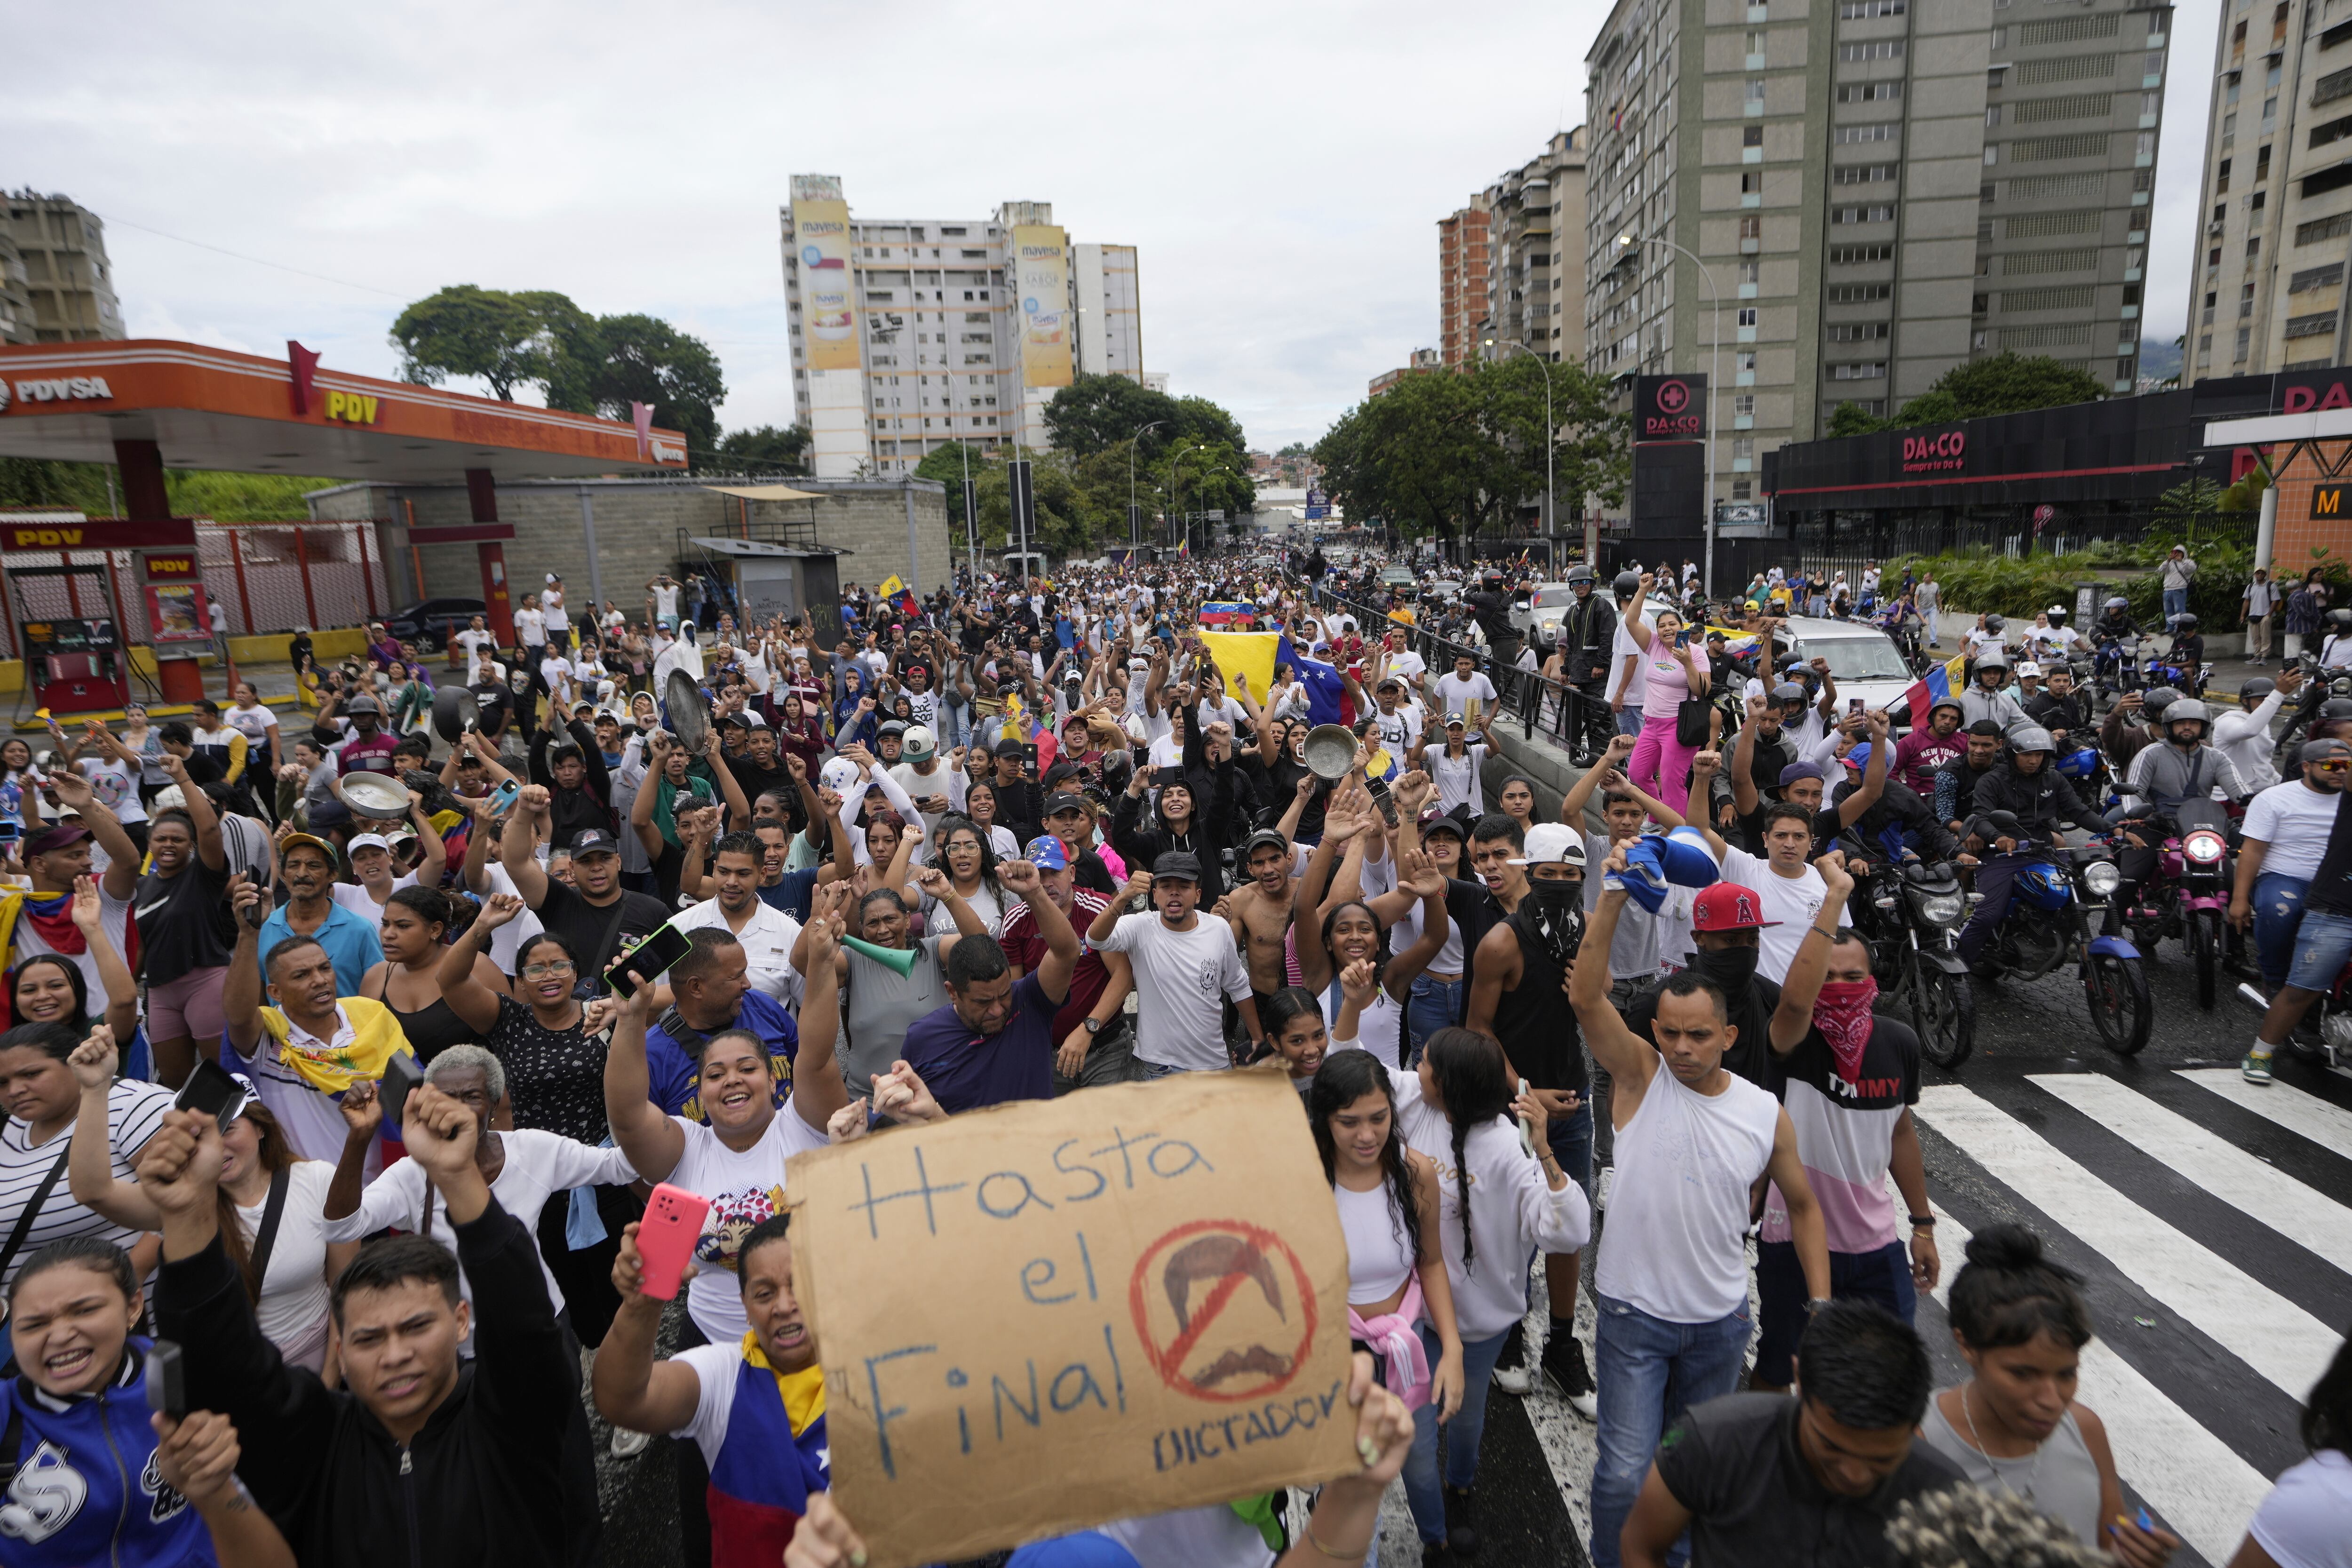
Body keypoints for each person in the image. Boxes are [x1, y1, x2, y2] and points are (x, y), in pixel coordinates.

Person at [144, 1075, 596, 1568]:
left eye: (417, 1327)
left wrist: (458, 1175)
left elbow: (523, 1320)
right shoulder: (315, 1445)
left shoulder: (513, 1415)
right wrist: (187, 1213)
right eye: (369, 1338)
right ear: (340, 1349)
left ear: (461, 1321)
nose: (396, 1355)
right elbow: (226, 1371)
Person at [1571, 859, 1832, 1568]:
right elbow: (1587, 997)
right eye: (1670, 1034)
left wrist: (1819, 1306)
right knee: (1624, 1472)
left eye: (1699, 1036)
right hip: (1633, 1317)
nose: (1682, 1049)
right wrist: (1612, 896)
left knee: (1693, 1472)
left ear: (1728, 1037)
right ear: (1655, 1032)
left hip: (1719, 1326)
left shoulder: (1764, 1112)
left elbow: (1803, 1207)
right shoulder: (1639, 1079)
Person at [603, 923, 851, 1568]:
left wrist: (821, 966)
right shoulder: (684, 1148)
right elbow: (627, 1115)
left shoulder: (803, 1126)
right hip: (719, 1357)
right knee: (721, 1510)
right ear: (700, 1089)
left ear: (772, 1079)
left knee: (842, 1499)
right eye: (715, 1074)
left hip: (825, 1344)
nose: (732, 1081)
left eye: (747, 1069)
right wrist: (629, 1019)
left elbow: (816, 1055)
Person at [1745, 856, 1940, 1394]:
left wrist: (1922, 1224)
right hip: (1791, 1243)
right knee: (1779, 1369)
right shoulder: (1792, 1039)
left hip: (1876, 1246)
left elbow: (1899, 1132)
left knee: (1888, 1380)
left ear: (1871, 981)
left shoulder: (1898, 1043)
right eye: (1826, 978)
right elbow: (1794, 1000)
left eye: (1852, 978)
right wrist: (1834, 896)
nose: (1839, 987)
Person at [1394, 1027, 1592, 1557]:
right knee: (1415, 1445)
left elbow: (1569, 1231)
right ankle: (1434, 1536)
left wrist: (1543, 1148)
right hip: (1415, 1315)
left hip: (1480, 1327)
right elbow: (1357, 1075)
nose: (1417, 1068)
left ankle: (1460, 1485)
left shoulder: (1511, 1149)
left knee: (1466, 1419)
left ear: (1449, 1084)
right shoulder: (1417, 1101)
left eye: (1426, 1063)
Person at [64, 1026, 354, 1374]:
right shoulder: (185, 1203)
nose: (217, 1146)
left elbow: (345, 1289)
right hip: (220, 1380)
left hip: (308, 1370)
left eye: (228, 1129)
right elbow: (93, 1191)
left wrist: (328, 1381)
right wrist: (95, 1089)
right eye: (200, 1136)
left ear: (260, 1127)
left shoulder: (318, 1179)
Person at [1620, 1301, 1964, 1568]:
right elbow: (1640, 1547)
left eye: (1882, 1460)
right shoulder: (1711, 1440)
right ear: (1799, 1379)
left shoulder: (1946, 1497)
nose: (1854, 1474)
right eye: (1831, 1445)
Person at [1916, 1224, 2178, 1566]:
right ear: (1966, 1345)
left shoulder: (2085, 1430)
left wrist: (2129, 1556)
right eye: (2023, 1374)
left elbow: (2107, 1546)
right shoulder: (1915, 1442)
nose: (2052, 1401)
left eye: (2066, 1374)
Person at [592, 1212, 830, 1567]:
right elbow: (623, 1400)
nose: (784, 1306)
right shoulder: (726, 1375)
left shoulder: (874, 1365)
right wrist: (641, 1307)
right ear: (745, 1307)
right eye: (765, 1294)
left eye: (800, 1285)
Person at [1463, 821, 1597, 1412]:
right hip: (1517, 1105)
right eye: (1549, 874)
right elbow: (1477, 1028)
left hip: (1572, 1100)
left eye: (1571, 875)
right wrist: (1526, 1091)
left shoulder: (1582, 929)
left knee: (1570, 1227)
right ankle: (1510, 1330)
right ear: (1529, 873)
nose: (1560, 883)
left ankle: (1562, 1343)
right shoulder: (1502, 943)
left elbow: (1597, 998)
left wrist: (1590, 985)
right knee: (1515, 1229)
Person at [1309, 1047, 1466, 1549]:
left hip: (1404, 1339)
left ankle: (1435, 1540)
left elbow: (1431, 1262)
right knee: (1349, 1474)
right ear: (1324, 1119)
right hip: (1333, 1351)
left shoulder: (1415, 1173)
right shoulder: (1302, 1181)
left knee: (1419, 1458)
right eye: (1348, 1122)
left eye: (1378, 1118)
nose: (1366, 1135)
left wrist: (1453, 1348)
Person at [0, 1234, 234, 1568]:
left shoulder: (170, 1367)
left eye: (85, 1310)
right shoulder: (6, 1411)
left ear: (133, 1307)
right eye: (35, 1324)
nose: (61, 1335)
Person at [220, 877, 416, 1166]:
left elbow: (412, 1091)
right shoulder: (269, 1036)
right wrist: (249, 935)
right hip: (299, 1188)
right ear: (275, 993)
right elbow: (238, 1017)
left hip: (381, 1186)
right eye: (302, 975)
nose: (320, 980)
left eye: (325, 968)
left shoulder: (372, 1017)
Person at [897, 852, 1078, 1112]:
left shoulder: (1030, 1001)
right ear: (952, 992)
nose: (997, 1010)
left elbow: (1067, 953)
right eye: (983, 1002)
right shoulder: (922, 1039)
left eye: (1004, 995)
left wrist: (1035, 894)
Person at [1088, 852, 1260, 1075]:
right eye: (1166, 886)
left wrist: (1257, 1039)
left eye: (1184, 886)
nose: (1174, 892)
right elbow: (1095, 939)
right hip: (1161, 1070)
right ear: (1154, 895)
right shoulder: (1140, 927)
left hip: (1216, 1065)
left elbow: (1238, 986)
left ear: (1198, 895)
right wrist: (1122, 898)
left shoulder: (1218, 929)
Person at [136, 756, 235, 1087]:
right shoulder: (141, 887)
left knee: (222, 1080)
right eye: (161, 839)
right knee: (172, 1084)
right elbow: (141, 946)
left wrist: (182, 777)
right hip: (160, 993)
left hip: (206, 983)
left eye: (177, 839)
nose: (168, 844)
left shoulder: (203, 876)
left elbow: (209, 828)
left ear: (191, 845)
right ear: (150, 844)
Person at [505, 792, 670, 985]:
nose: (596, 867)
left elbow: (680, 977)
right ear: (573, 869)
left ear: (618, 862)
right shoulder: (557, 901)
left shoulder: (653, 911)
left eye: (605, 858)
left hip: (636, 1006)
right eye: (586, 861)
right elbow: (515, 864)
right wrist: (524, 810)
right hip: (571, 1006)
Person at [2233, 738, 2347, 997]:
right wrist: (2240, 899)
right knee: (2278, 912)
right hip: (2286, 878)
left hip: (2340, 880)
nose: (2341, 771)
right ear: (2307, 766)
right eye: (2331, 765)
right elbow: (2253, 850)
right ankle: (2274, 980)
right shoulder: (2274, 798)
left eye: (2348, 765)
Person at [358, 886, 499, 1065]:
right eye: (385, 924)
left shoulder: (476, 967)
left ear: (435, 930)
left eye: (403, 926)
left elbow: (510, 1036)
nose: (388, 934)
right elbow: (365, 1050)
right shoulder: (376, 977)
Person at [1624, 583, 1710, 816]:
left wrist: (1688, 663)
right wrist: (1642, 590)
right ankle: (1658, 815)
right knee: (1637, 773)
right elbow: (1630, 621)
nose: (1667, 629)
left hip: (1679, 726)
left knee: (1672, 780)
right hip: (1651, 724)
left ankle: (1676, 829)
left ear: (1682, 628)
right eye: (1662, 626)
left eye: (1672, 624)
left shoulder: (1696, 652)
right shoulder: (1654, 644)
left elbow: (1702, 690)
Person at [2246, 567, 2279, 667]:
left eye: (2262, 573)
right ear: (2255, 575)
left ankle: (2264, 656)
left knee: (2265, 636)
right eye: (2258, 573)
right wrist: (2243, 615)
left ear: (2265, 575)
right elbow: (2246, 601)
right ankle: (2257, 655)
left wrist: (2269, 614)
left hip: (2265, 614)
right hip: (2253, 615)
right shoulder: (2251, 586)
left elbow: (2275, 601)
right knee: (2255, 637)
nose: (2259, 575)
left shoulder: (2271, 586)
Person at [2160, 544, 2197, 631]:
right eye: (2175, 552)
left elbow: (2192, 569)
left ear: (2184, 553)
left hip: (2179, 590)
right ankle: (2169, 629)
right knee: (2168, 612)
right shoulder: (2170, 563)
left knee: (2179, 611)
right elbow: (2161, 569)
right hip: (2167, 590)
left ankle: (2179, 629)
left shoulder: (2187, 562)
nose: (2177, 554)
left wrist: (2182, 561)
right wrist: (2168, 560)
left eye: (2180, 552)